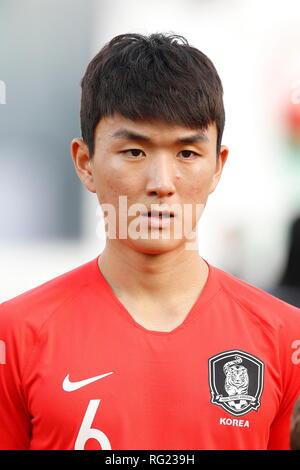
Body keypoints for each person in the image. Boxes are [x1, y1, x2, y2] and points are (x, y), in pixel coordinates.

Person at [0, 32, 300, 451]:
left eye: (187, 154)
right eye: (135, 152)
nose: (161, 184)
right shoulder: (14, 336)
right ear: (85, 163)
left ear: (218, 166)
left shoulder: (287, 339)